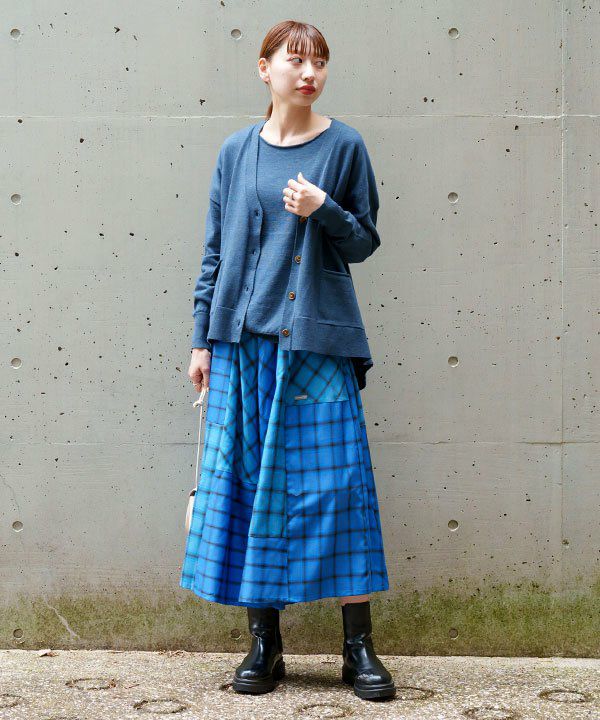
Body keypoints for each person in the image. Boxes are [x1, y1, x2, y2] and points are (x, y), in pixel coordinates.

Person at [180, 20, 395, 701]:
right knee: (249, 489)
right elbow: (215, 252)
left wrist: (324, 207)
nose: (309, 73)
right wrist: (201, 340)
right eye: (296, 61)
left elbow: (363, 242)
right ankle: (264, 644)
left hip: (315, 345)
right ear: (264, 68)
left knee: (340, 490)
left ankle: (358, 648)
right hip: (243, 346)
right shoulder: (236, 151)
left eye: (319, 62)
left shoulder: (344, 146)